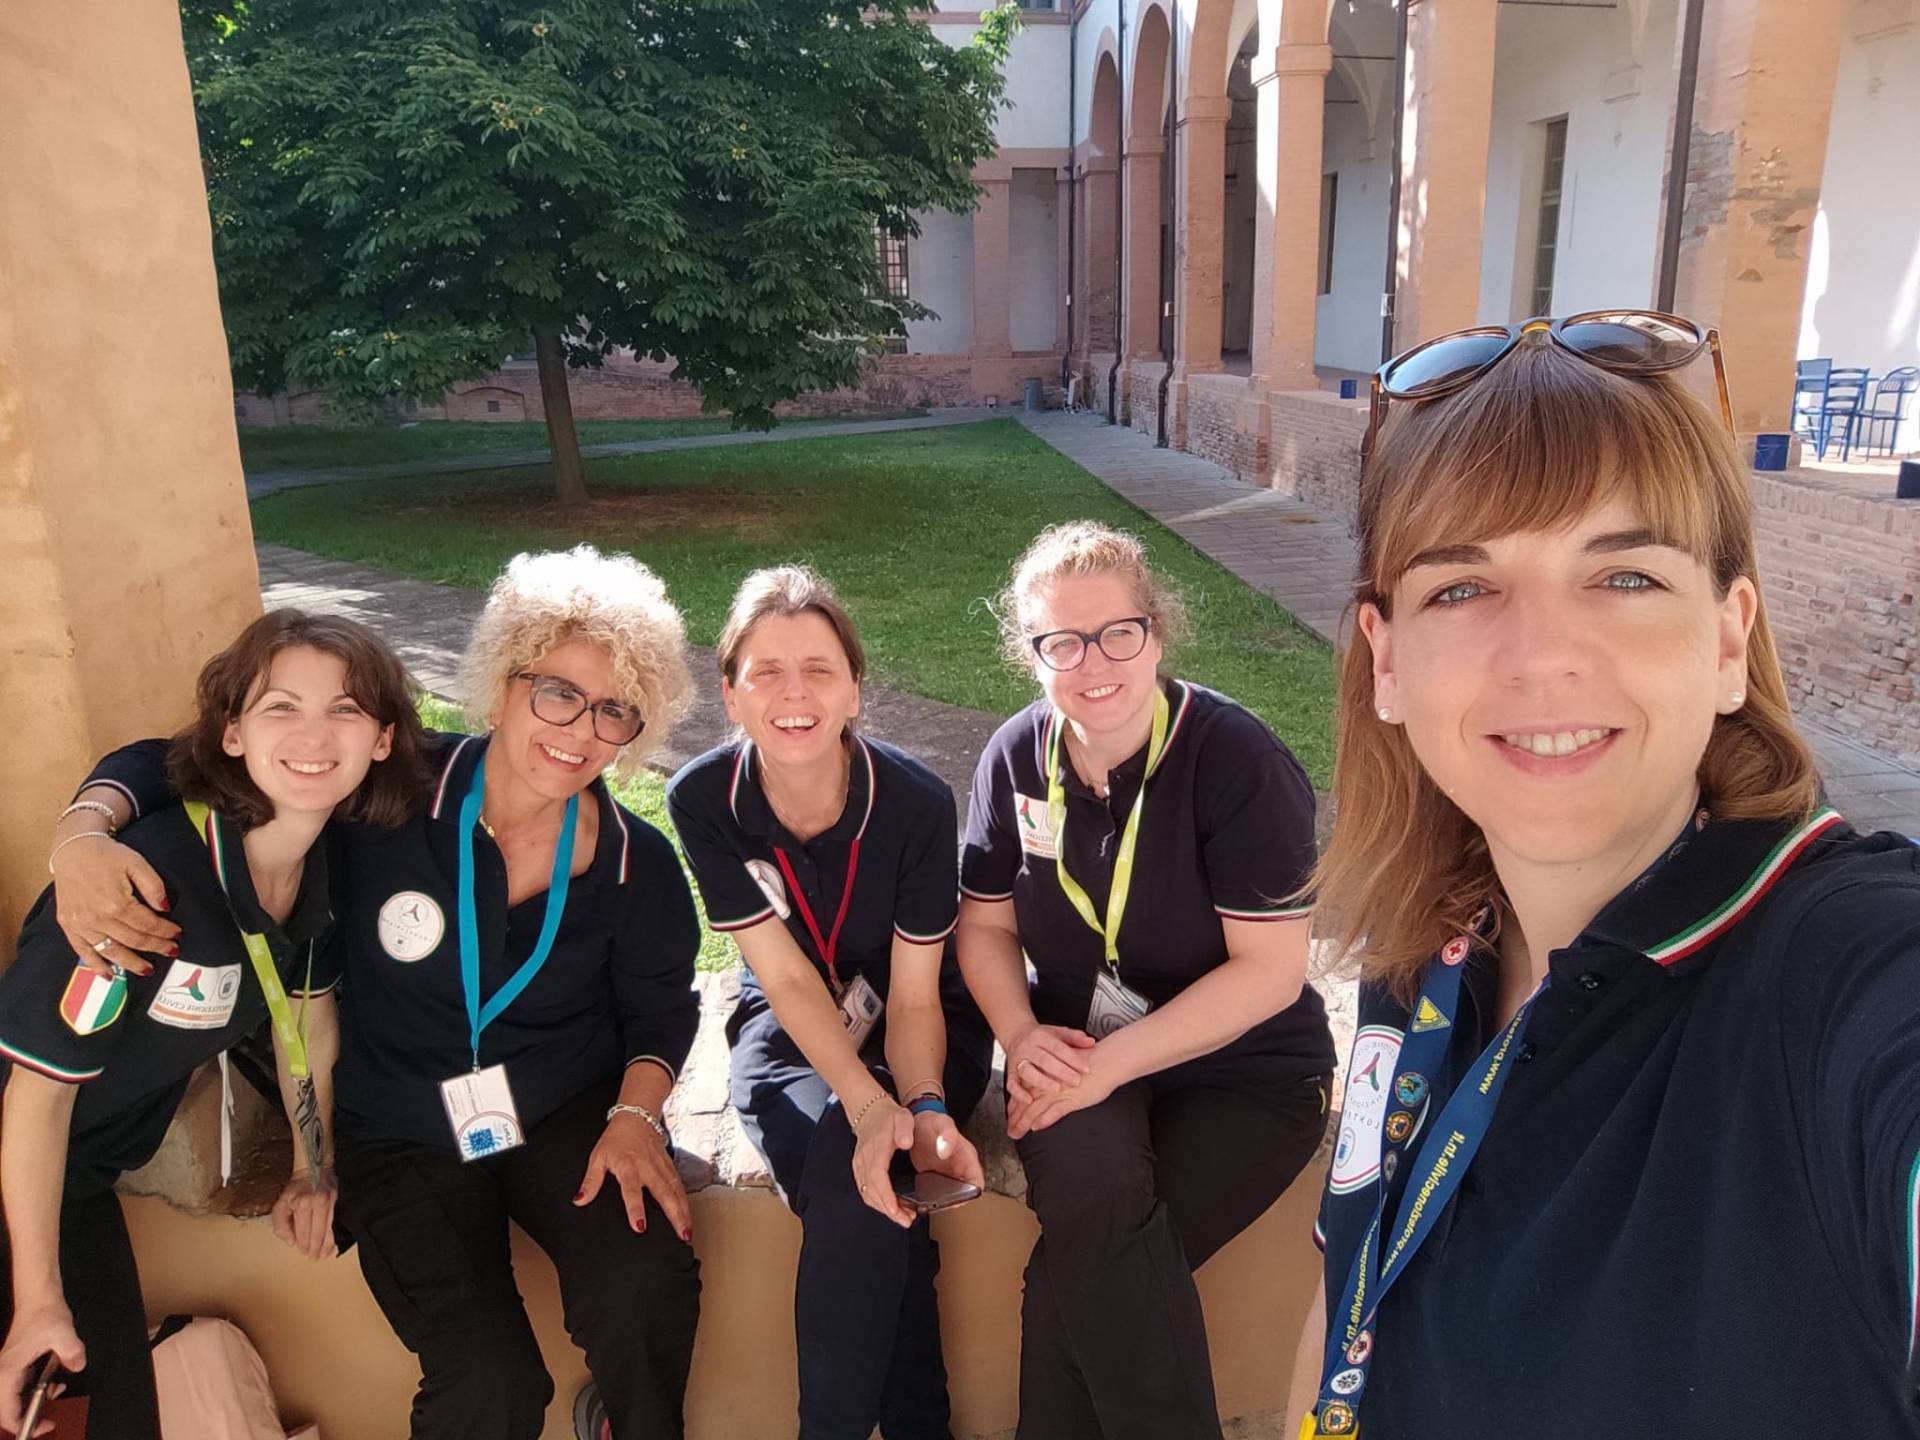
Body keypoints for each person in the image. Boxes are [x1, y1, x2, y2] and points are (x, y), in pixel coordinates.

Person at [1288, 313, 1920, 1438]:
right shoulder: (1423, 955)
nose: (1542, 655)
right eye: (1461, 587)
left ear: (1727, 641)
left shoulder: (1838, 972)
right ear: (1387, 662)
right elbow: (1349, 1295)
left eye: (1624, 575)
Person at [48, 546, 706, 1440]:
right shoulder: (389, 789)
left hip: (560, 1116)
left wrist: (634, 1116)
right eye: (557, 692)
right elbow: (183, 763)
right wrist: (85, 832)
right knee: (488, 1380)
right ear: (501, 684)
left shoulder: (638, 863)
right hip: (399, 1131)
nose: (580, 729)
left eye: (614, 709)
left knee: (646, 1284)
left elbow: (662, 1009)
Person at [0, 609, 425, 1440]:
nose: (314, 734)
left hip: (79, 1179)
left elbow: (309, 1023)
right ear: (232, 734)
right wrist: (37, 1298)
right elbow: (38, 1096)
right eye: (280, 707)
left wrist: (310, 1167)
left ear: (381, 740)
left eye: (344, 709)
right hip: (22, 1167)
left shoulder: (316, 867)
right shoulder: (140, 886)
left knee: (116, 1414)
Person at [957, 522, 1332, 1440]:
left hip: (1245, 1070)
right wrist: (1020, 1037)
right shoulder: (1015, 757)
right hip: (1070, 1050)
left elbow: (1270, 972)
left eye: (1117, 633)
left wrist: (1111, 1067)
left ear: (1156, 634)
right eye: (1062, 642)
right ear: (1030, 655)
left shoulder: (1236, 761)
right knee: (1095, 1231)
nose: (1094, 664)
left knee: (1077, 1278)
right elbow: (986, 926)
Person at [666, 565, 992, 1440]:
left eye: (818, 669)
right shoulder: (703, 799)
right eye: (765, 672)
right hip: (788, 1026)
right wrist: (869, 1107)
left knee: (869, 1176)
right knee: (862, 1171)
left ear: (854, 690)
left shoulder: (917, 803)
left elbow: (916, 997)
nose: (794, 694)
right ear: (730, 694)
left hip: (926, 1023)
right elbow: (784, 980)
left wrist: (921, 1104)